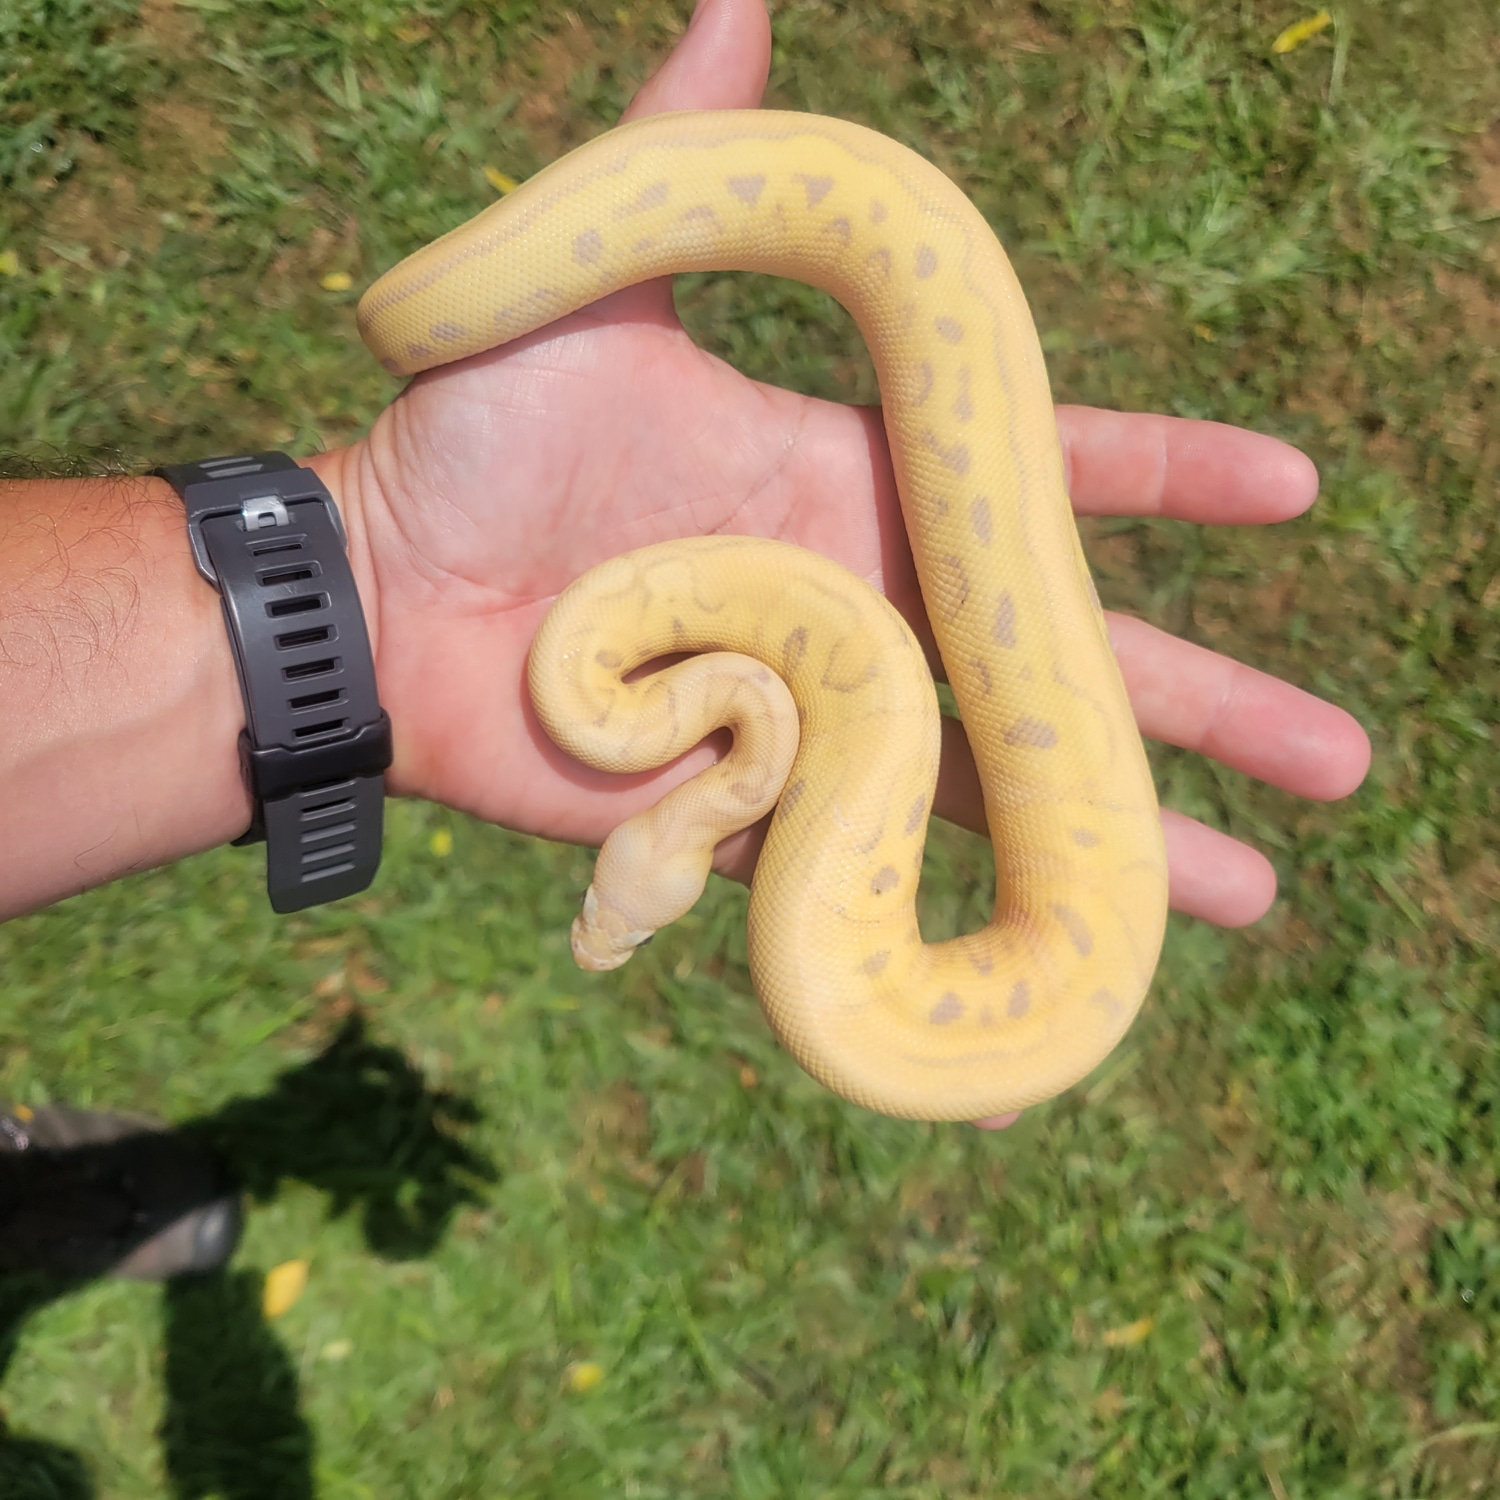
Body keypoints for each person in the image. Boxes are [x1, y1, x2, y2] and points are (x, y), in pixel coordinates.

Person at [0, 0, 1371, 1205]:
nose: (607, 931)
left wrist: (361, 571)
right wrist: (360, 566)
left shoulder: (757, 696)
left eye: (621, 916)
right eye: (617, 917)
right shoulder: (761, 697)